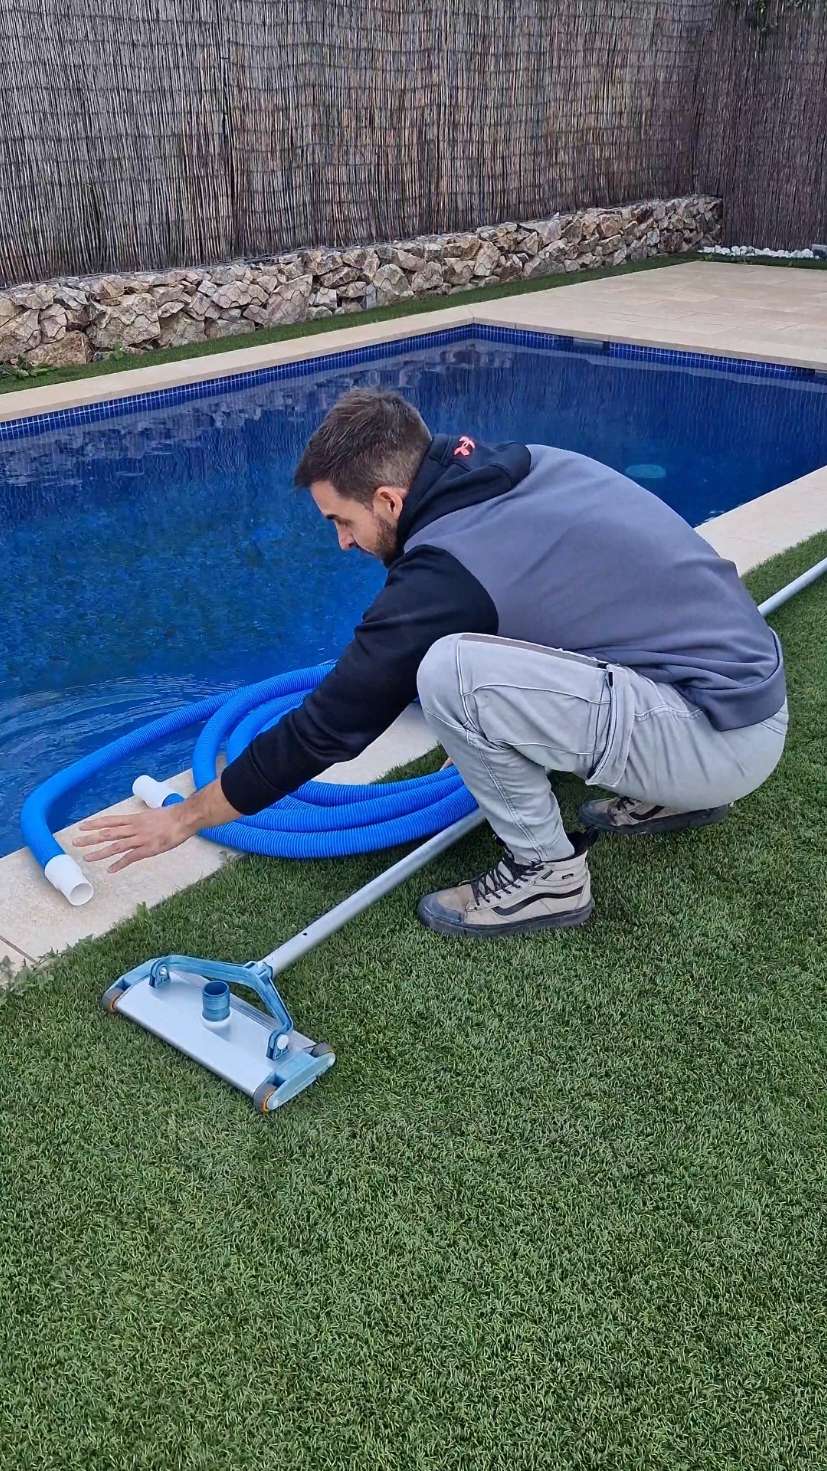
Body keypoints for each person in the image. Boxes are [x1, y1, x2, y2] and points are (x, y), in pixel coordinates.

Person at [77, 389, 788, 938]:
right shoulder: (508, 466)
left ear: (388, 498)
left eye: (341, 521)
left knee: (447, 672)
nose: (343, 544)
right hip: (736, 692)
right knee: (483, 657)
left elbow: (330, 724)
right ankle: (671, 786)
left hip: (715, 735)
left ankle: (546, 875)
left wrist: (188, 816)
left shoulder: (445, 573)